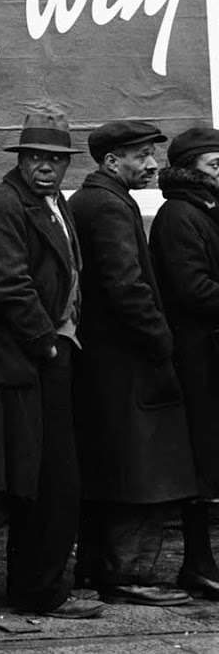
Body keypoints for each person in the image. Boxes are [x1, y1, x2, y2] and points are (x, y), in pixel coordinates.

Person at [0, 112, 103, 619]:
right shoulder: (8, 205)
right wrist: (46, 342)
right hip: (31, 360)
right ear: (22, 160)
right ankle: (39, 590)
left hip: (57, 351)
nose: (47, 168)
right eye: (37, 158)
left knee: (56, 477)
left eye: (56, 160)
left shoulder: (53, 202)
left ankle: (43, 583)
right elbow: (6, 283)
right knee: (45, 478)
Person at [70, 120, 195, 605]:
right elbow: (127, 287)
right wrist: (161, 341)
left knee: (113, 467)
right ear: (111, 162)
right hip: (127, 362)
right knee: (137, 471)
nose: (152, 164)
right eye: (141, 156)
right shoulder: (109, 206)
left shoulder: (91, 199)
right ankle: (127, 575)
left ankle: (100, 569)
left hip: (105, 361)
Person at [148, 126, 219, 600]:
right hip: (199, 358)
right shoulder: (178, 216)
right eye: (214, 165)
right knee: (203, 462)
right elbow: (191, 289)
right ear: (189, 168)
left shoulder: (207, 212)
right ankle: (198, 562)